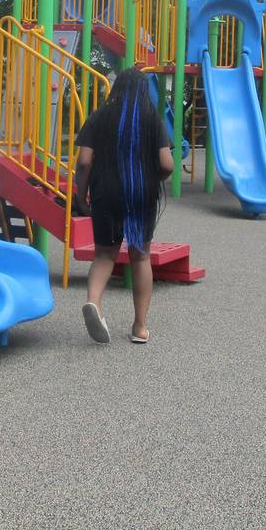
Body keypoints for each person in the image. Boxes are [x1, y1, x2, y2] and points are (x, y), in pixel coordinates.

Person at [73, 69, 174, 345]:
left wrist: (81, 196)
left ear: (116, 89)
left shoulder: (99, 116)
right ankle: (140, 327)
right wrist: (151, 179)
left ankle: (94, 303)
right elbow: (167, 165)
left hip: (105, 193)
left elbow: (83, 162)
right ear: (143, 91)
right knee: (140, 257)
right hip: (140, 194)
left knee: (105, 255)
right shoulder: (152, 119)